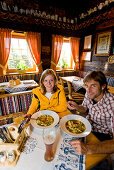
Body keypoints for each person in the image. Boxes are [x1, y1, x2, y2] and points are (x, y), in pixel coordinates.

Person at [67, 71, 114, 141]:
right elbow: (84, 108)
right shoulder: (89, 93)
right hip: (88, 126)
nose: (88, 90)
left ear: (103, 86)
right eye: (86, 85)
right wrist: (77, 106)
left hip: (104, 135)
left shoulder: (111, 103)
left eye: (93, 85)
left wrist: (87, 148)